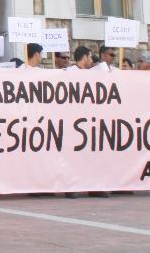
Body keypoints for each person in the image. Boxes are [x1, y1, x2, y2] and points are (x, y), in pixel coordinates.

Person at [64, 45, 109, 199]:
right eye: (90, 57)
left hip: (91, 121)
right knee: (74, 157)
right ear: (84, 57)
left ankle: (94, 186)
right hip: (74, 121)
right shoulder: (70, 72)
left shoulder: (94, 74)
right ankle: (72, 187)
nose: (91, 60)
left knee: (94, 155)